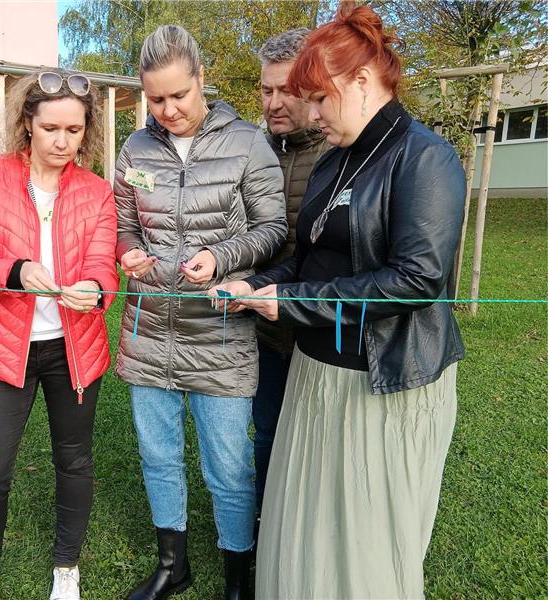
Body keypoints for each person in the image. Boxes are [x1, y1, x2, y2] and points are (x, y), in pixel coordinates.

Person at [210, 2, 466, 597]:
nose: (311, 113)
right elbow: (308, 256)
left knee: (363, 544)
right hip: (317, 376)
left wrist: (294, 301)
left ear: (360, 80)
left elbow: (416, 279)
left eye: (320, 98)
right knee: (304, 530)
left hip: (384, 385)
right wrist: (258, 284)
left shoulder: (425, 158)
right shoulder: (333, 164)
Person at [115, 24, 286, 600]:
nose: (167, 110)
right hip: (149, 331)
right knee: (158, 456)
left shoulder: (247, 142)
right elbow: (123, 223)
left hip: (220, 335)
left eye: (178, 96)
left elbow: (273, 229)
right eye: (155, 99)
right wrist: (127, 254)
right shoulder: (134, 149)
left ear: (201, 80)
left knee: (228, 468)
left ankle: (239, 576)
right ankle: (173, 566)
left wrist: (222, 257)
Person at [0, 70, 118, 600]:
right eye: (51, 128)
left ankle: (66, 567)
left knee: (74, 462)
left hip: (74, 348)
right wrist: (19, 271)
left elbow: (104, 265)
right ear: (27, 123)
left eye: (74, 130)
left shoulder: (96, 192)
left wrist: (94, 287)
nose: (62, 141)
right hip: (5, 350)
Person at [253, 28, 329, 518]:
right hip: (264, 328)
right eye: (266, 90)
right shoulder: (253, 151)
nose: (275, 102)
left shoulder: (339, 153)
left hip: (321, 331)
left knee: (318, 446)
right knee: (266, 433)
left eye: (288, 89)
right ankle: (263, 528)